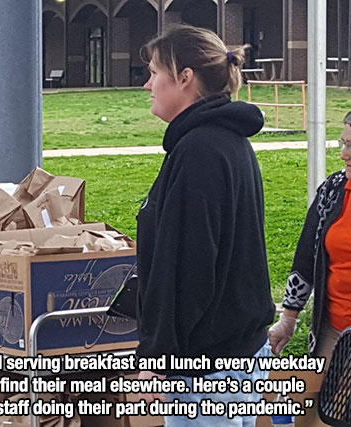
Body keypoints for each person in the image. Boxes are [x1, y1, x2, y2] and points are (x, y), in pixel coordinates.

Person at [135, 24, 275, 426]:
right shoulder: (226, 141)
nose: (148, 85)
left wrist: (157, 359)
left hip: (209, 370)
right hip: (236, 355)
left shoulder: (200, 151)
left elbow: (186, 266)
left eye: (155, 73)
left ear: (184, 78)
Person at [268, 104, 351, 424]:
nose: (343, 154)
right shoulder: (333, 190)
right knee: (313, 414)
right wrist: (289, 318)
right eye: (342, 143)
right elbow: (306, 256)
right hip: (331, 327)